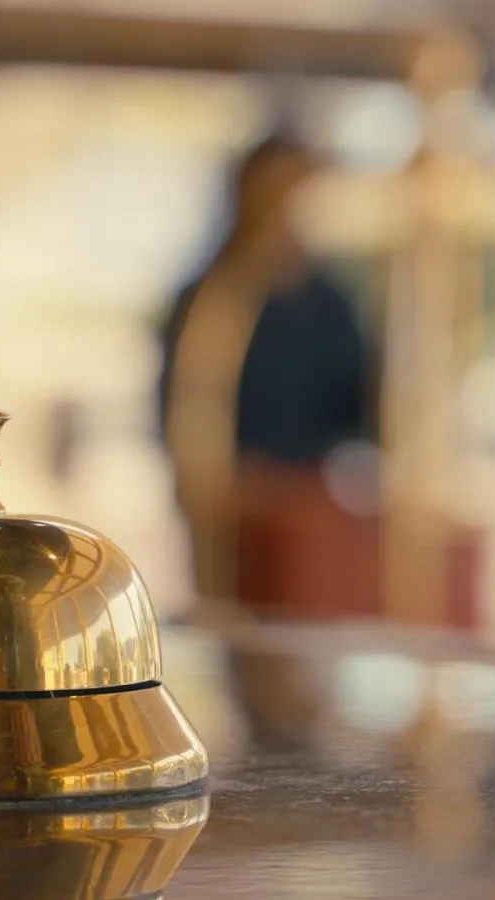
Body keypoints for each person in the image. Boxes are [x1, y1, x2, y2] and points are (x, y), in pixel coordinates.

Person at [158, 134, 379, 620]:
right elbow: (178, 405)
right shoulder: (209, 299)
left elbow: (356, 407)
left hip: (300, 513)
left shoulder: (327, 302)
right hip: (226, 505)